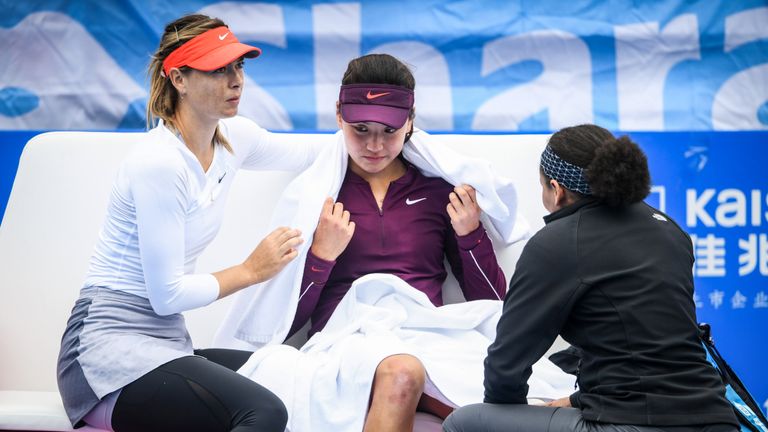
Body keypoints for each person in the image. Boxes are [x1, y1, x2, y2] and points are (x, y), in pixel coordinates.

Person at [56, 14, 322, 432]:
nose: (236, 80)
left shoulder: (237, 137)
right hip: (102, 358)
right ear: (179, 79)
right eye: (219, 69)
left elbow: (315, 154)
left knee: (293, 376)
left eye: (239, 66)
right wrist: (251, 271)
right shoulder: (159, 162)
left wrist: (375, 130)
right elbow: (167, 295)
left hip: (165, 344)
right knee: (264, 412)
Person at [442, 124, 739, 432]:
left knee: (465, 423)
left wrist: (509, 413)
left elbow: (507, 364)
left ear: (556, 189)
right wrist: (578, 398)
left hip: (631, 424)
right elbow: (648, 343)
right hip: (715, 417)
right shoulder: (670, 229)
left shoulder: (558, 241)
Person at [286, 53, 508, 432]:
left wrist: (471, 236)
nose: (375, 145)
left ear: (410, 122)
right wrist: (321, 258)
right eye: (361, 129)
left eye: (389, 131)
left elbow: (492, 302)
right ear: (339, 115)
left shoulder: (440, 192)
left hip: (431, 339)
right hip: (344, 344)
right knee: (402, 371)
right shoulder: (315, 194)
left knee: (523, 402)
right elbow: (284, 321)